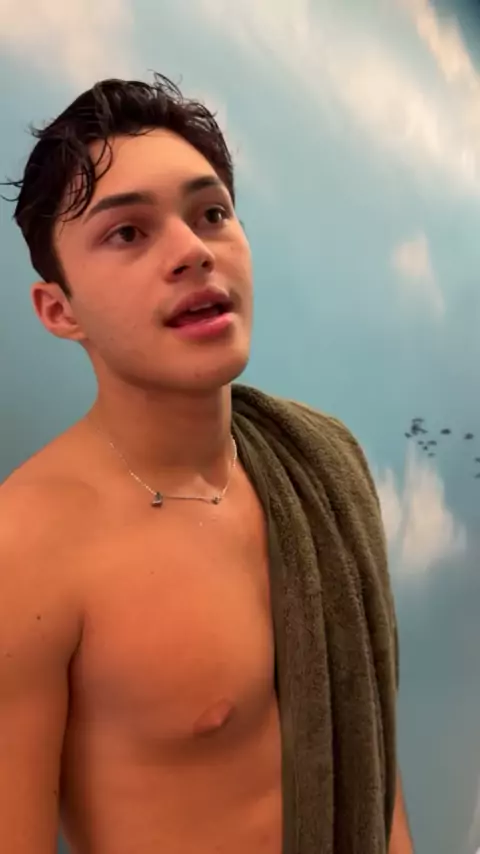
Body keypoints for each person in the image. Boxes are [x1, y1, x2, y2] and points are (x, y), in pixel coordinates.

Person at [0, 74, 414, 854]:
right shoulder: (26, 547)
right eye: (129, 232)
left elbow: (371, 768)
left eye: (212, 214)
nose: (192, 251)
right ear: (60, 310)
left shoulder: (323, 463)